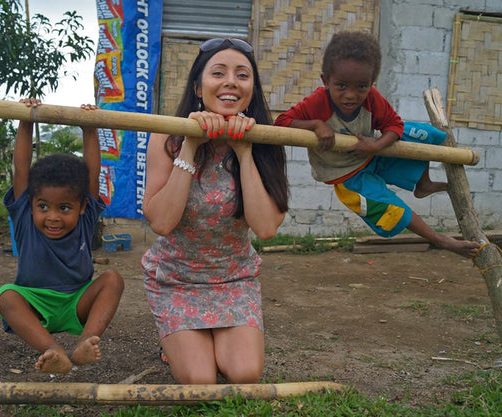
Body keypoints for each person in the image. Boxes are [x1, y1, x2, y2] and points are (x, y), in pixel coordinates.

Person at [141, 38, 289, 384]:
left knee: (245, 373)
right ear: (198, 86)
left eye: (242, 75)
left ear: (252, 89)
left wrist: (244, 152)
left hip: (234, 279)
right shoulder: (168, 137)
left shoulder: (267, 141)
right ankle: (177, 340)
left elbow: (266, 228)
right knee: (199, 381)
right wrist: (191, 145)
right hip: (176, 279)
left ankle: (205, 342)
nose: (231, 82)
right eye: (218, 73)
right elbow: (162, 222)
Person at [274, 31, 480, 258]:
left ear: (371, 83)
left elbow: (394, 126)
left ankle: (424, 184)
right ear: (326, 81)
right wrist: (315, 124)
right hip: (347, 176)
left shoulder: (372, 98)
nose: (351, 95)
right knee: (393, 210)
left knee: (426, 134)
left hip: (372, 155)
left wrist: (375, 146)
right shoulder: (317, 103)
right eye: (341, 86)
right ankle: (442, 240)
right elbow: (281, 123)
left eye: (361, 86)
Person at [0, 99, 124, 374]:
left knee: (113, 280)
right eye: (43, 206)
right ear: (31, 204)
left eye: (64, 208)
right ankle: (53, 349)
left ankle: (86, 342)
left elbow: (92, 171)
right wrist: (25, 119)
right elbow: (21, 167)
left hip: (77, 302)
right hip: (35, 305)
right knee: (5, 296)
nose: (52, 216)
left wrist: (89, 127)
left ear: (82, 205)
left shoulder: (86, 218)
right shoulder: (25, 217)